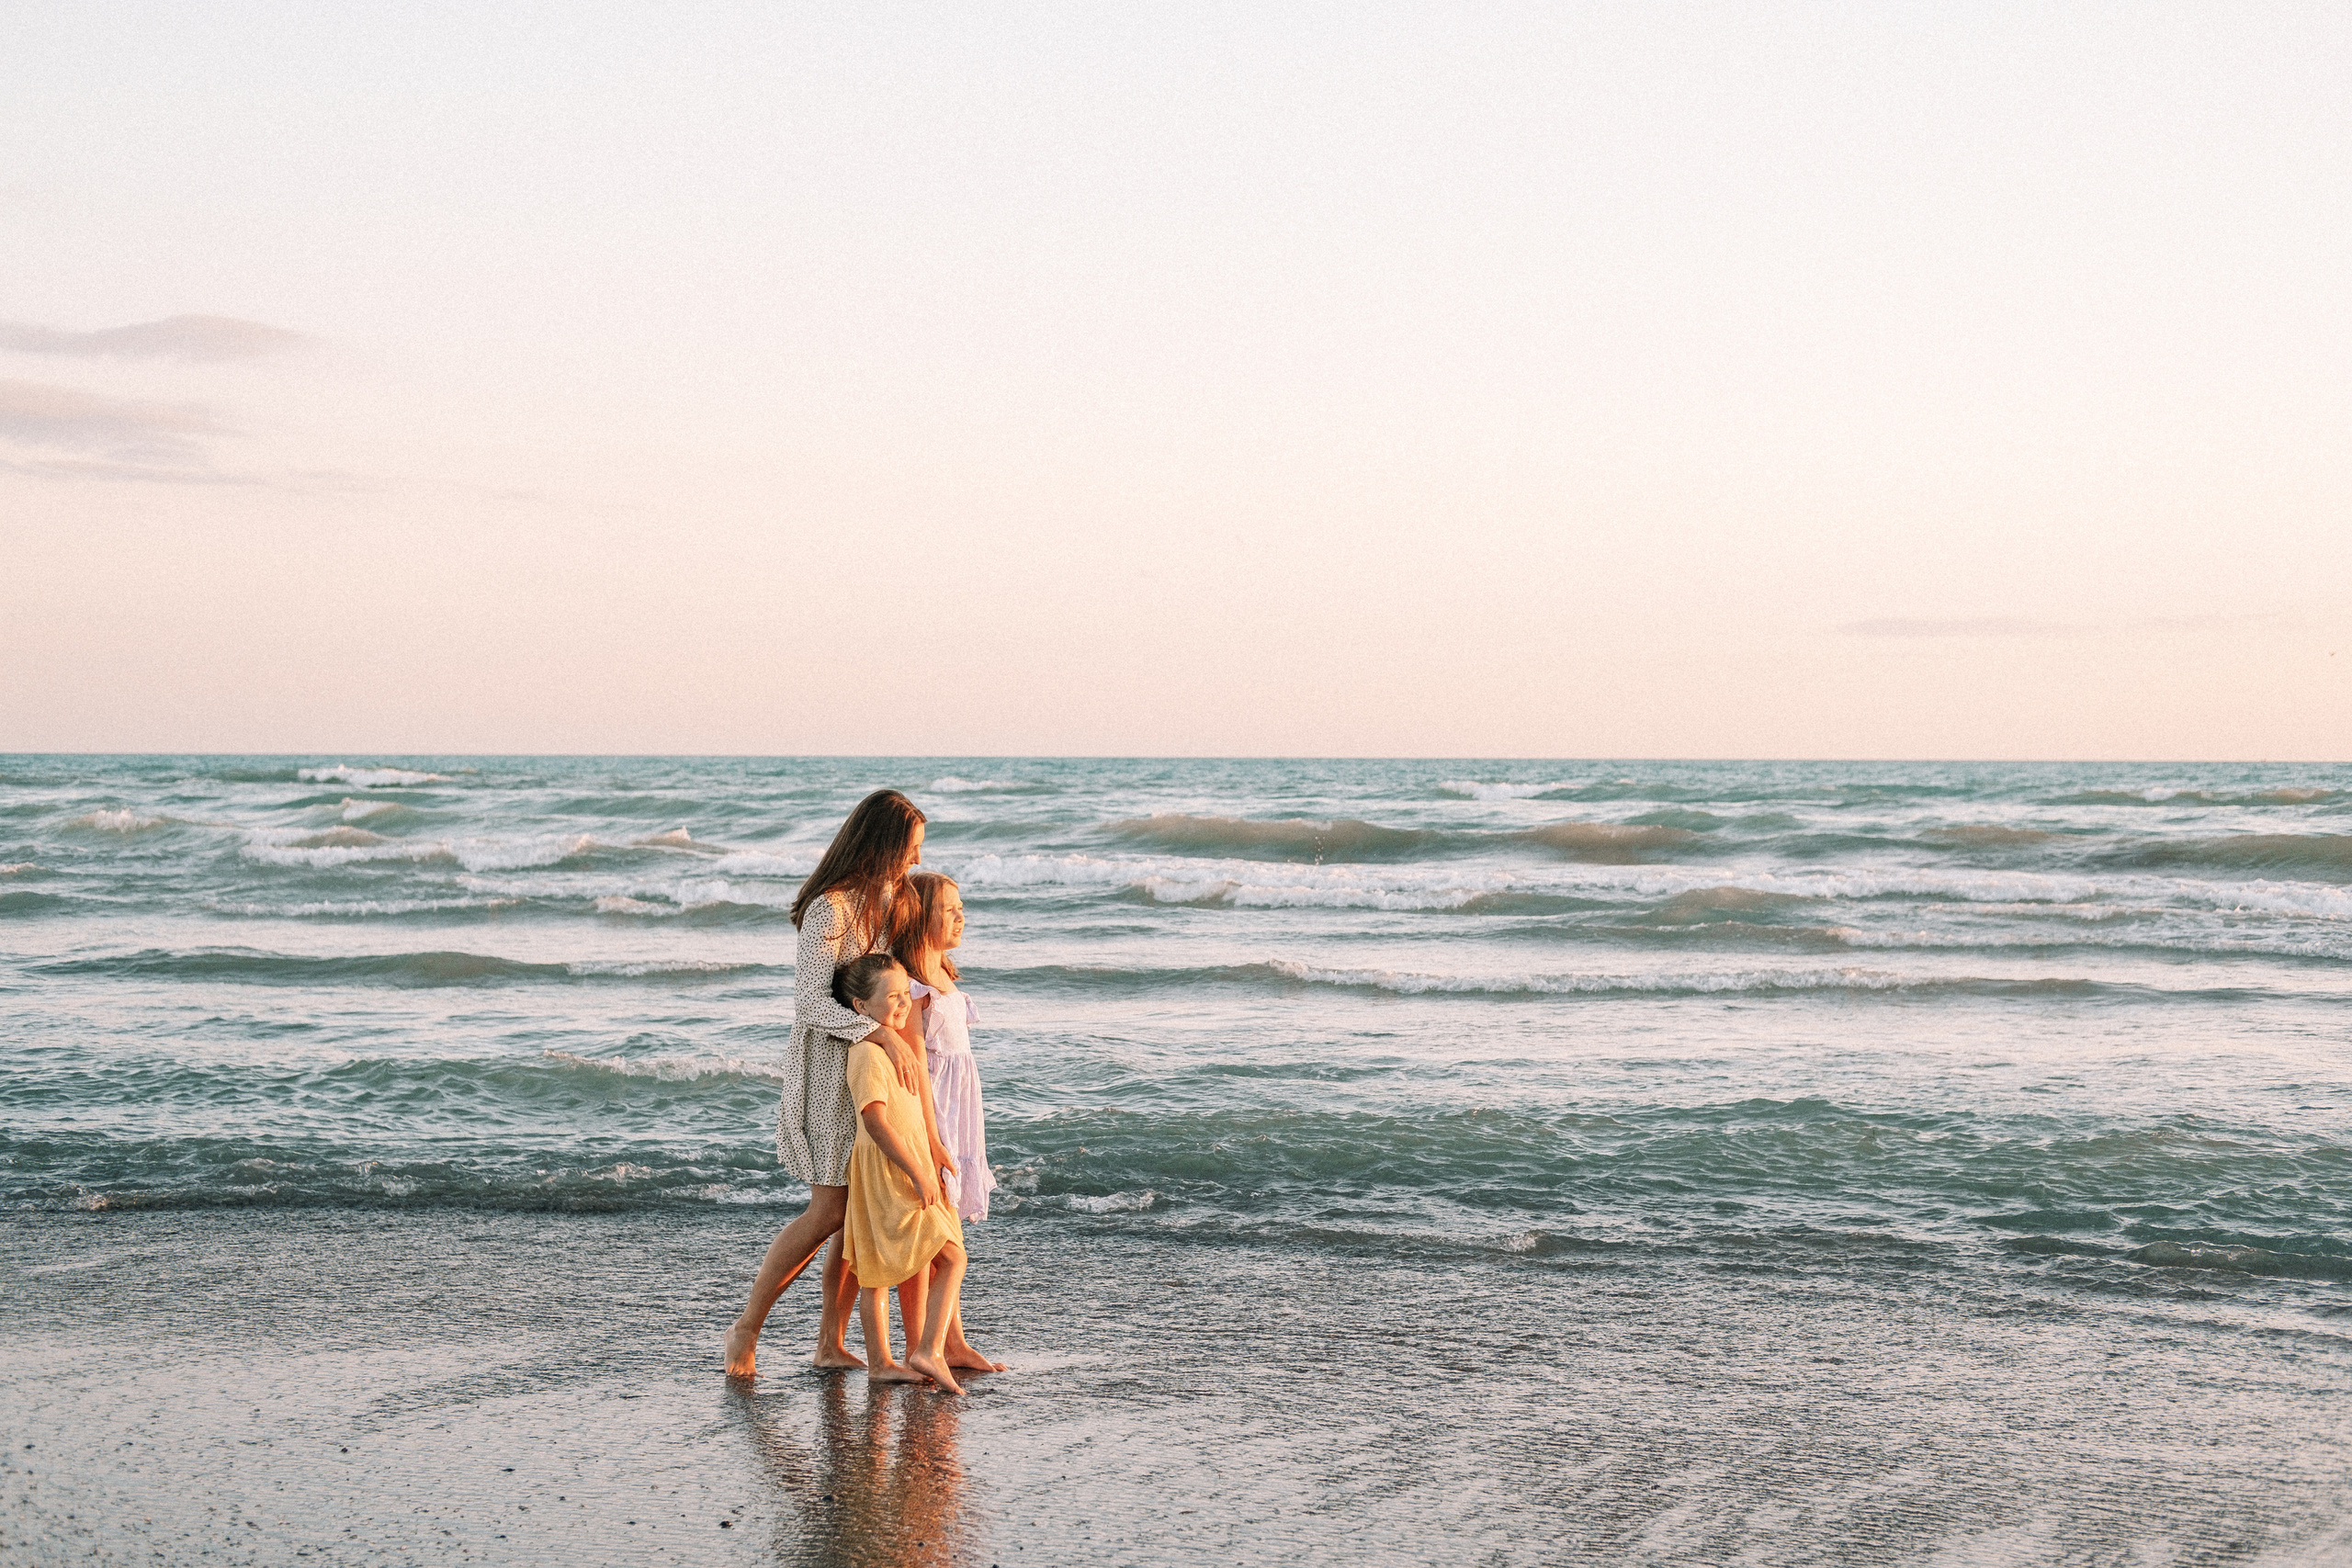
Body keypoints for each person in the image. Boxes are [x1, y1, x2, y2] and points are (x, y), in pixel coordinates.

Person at [724, 788, 941, 1379]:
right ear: (883, 846)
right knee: (828, 1212)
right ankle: (746, 1327)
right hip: (827, 1074)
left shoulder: (889, 906)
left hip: (873, 1072)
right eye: (910, 850)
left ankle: (829, 1344)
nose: (915, 862)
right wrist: (879, 1035)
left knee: (857, 1215)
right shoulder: (831, 909)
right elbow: (809, 1003)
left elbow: (901, 981)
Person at [833, 953, 970, 1395]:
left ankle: (887, 1362)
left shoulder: (898, 1046)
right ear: (861, 1008)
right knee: (933, 1259)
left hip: (908, 1165)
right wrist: (917, 1171)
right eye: (890, 997)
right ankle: (918, 1352)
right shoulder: (868, 1054)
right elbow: (874, 1121)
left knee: (918, 1260)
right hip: (890, 1174)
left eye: (904, 995)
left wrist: (933, 1150)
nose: (902, 1003)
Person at [892, 871, 1004, 1372]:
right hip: (932, 1118)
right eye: (949, 909)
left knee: (948, 1230)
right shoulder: (913, 987)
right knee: (929, 1234)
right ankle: (925, 1344)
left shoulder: (945, 976)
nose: (961, 916)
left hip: (959, 1120)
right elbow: (915, 1066)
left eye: (962, 908)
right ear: (920, 919)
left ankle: (950, 1342)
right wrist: (931, 1140)